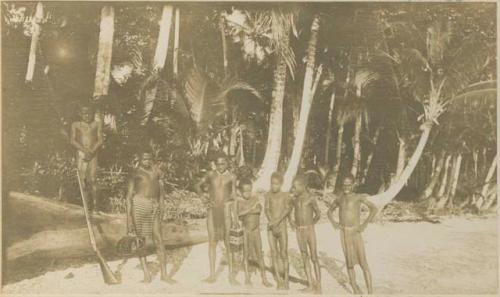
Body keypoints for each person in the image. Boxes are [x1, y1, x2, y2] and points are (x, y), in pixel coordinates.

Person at [327, 175, 378, 294]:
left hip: (355, 232)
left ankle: (370, 292)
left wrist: (365, 224)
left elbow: (374, 208)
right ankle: (355, 289)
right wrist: (334, 223)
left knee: (363, 262)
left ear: (353, 185)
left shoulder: (357, 197)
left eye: (349, 184)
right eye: (344, 184)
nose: (346, 187)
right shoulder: (339, 199)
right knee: (349, 262)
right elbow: (329, 211)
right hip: (344, 233)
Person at [126, 152, 171, 283]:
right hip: (139, 204)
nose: (146, 161)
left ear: (152, 160)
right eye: (144, 158)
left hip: (154, 205)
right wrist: (129, 218)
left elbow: (162, 194)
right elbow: (128, 197)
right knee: (141, 240)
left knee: (159, 239)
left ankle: (164, 275)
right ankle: (146, 274)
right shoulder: (135, 173)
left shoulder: (157, 173)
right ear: (139, 159)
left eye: (149, 159)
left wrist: (162, 208)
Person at [195, 155, 239, 285]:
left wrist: (235, 217)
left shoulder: (231, 176)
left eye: (223, 164)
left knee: (228, 242)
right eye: (218, 164)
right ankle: (212, 275)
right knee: (212, 242)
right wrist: (202, 197)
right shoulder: (210, 175)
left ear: (227, 164)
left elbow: (235, 196)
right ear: (215, 164)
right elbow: (197, 185)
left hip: (225, 211)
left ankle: (231, 276)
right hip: (212, 210)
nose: (221, 166)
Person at [236, 179, 272, 287]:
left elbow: (258, 210)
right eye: (245, 191)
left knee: (259, 254)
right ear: (241, 192)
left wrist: (248, 210)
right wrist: (250, 210)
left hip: (256, 231)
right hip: (246, 231)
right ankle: (247, 277)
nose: (248, 193)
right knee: (246, 254)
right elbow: (239, 214)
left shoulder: (255, 198)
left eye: (249, 190)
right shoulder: (240, 202)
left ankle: (264, 278)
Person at [289, 175, 322, 294]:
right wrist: (291, 222)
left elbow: (318, 214)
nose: (294, 188)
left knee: (314, 257)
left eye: (295, 186)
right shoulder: (294, 199)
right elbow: (289, 211)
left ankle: (318, 286)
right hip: (299, 230)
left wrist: (311, 224)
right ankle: (310, 284)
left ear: (303, 186)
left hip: (309, 230)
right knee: (304, 257)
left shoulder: (311, 198)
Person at [70, 104, 103, 213]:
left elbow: (100, 140)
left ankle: (96, 206)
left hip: (93, 154)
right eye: (84, 113)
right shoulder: (75, 125)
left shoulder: (96, 124)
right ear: (80, 114)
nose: (87, 115)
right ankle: (86, 207)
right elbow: (72, 140)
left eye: (89, 113)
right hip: (81, 153)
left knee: (93, 180)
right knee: (82, 180)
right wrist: (84, 150)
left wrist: (91, 151)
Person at [264, 172, 292, 290]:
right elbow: (266, 210)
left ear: (281, 184)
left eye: (276, 184)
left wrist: (277, 221)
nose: (274, 186)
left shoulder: (285, 195)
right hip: (271, 227)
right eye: (272, 183)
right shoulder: (268, 195)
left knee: (284, 253)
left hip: (281, 227)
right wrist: (272, 221)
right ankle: (279, 280)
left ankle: (286, 279)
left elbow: (287, 209)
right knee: (274, 253)